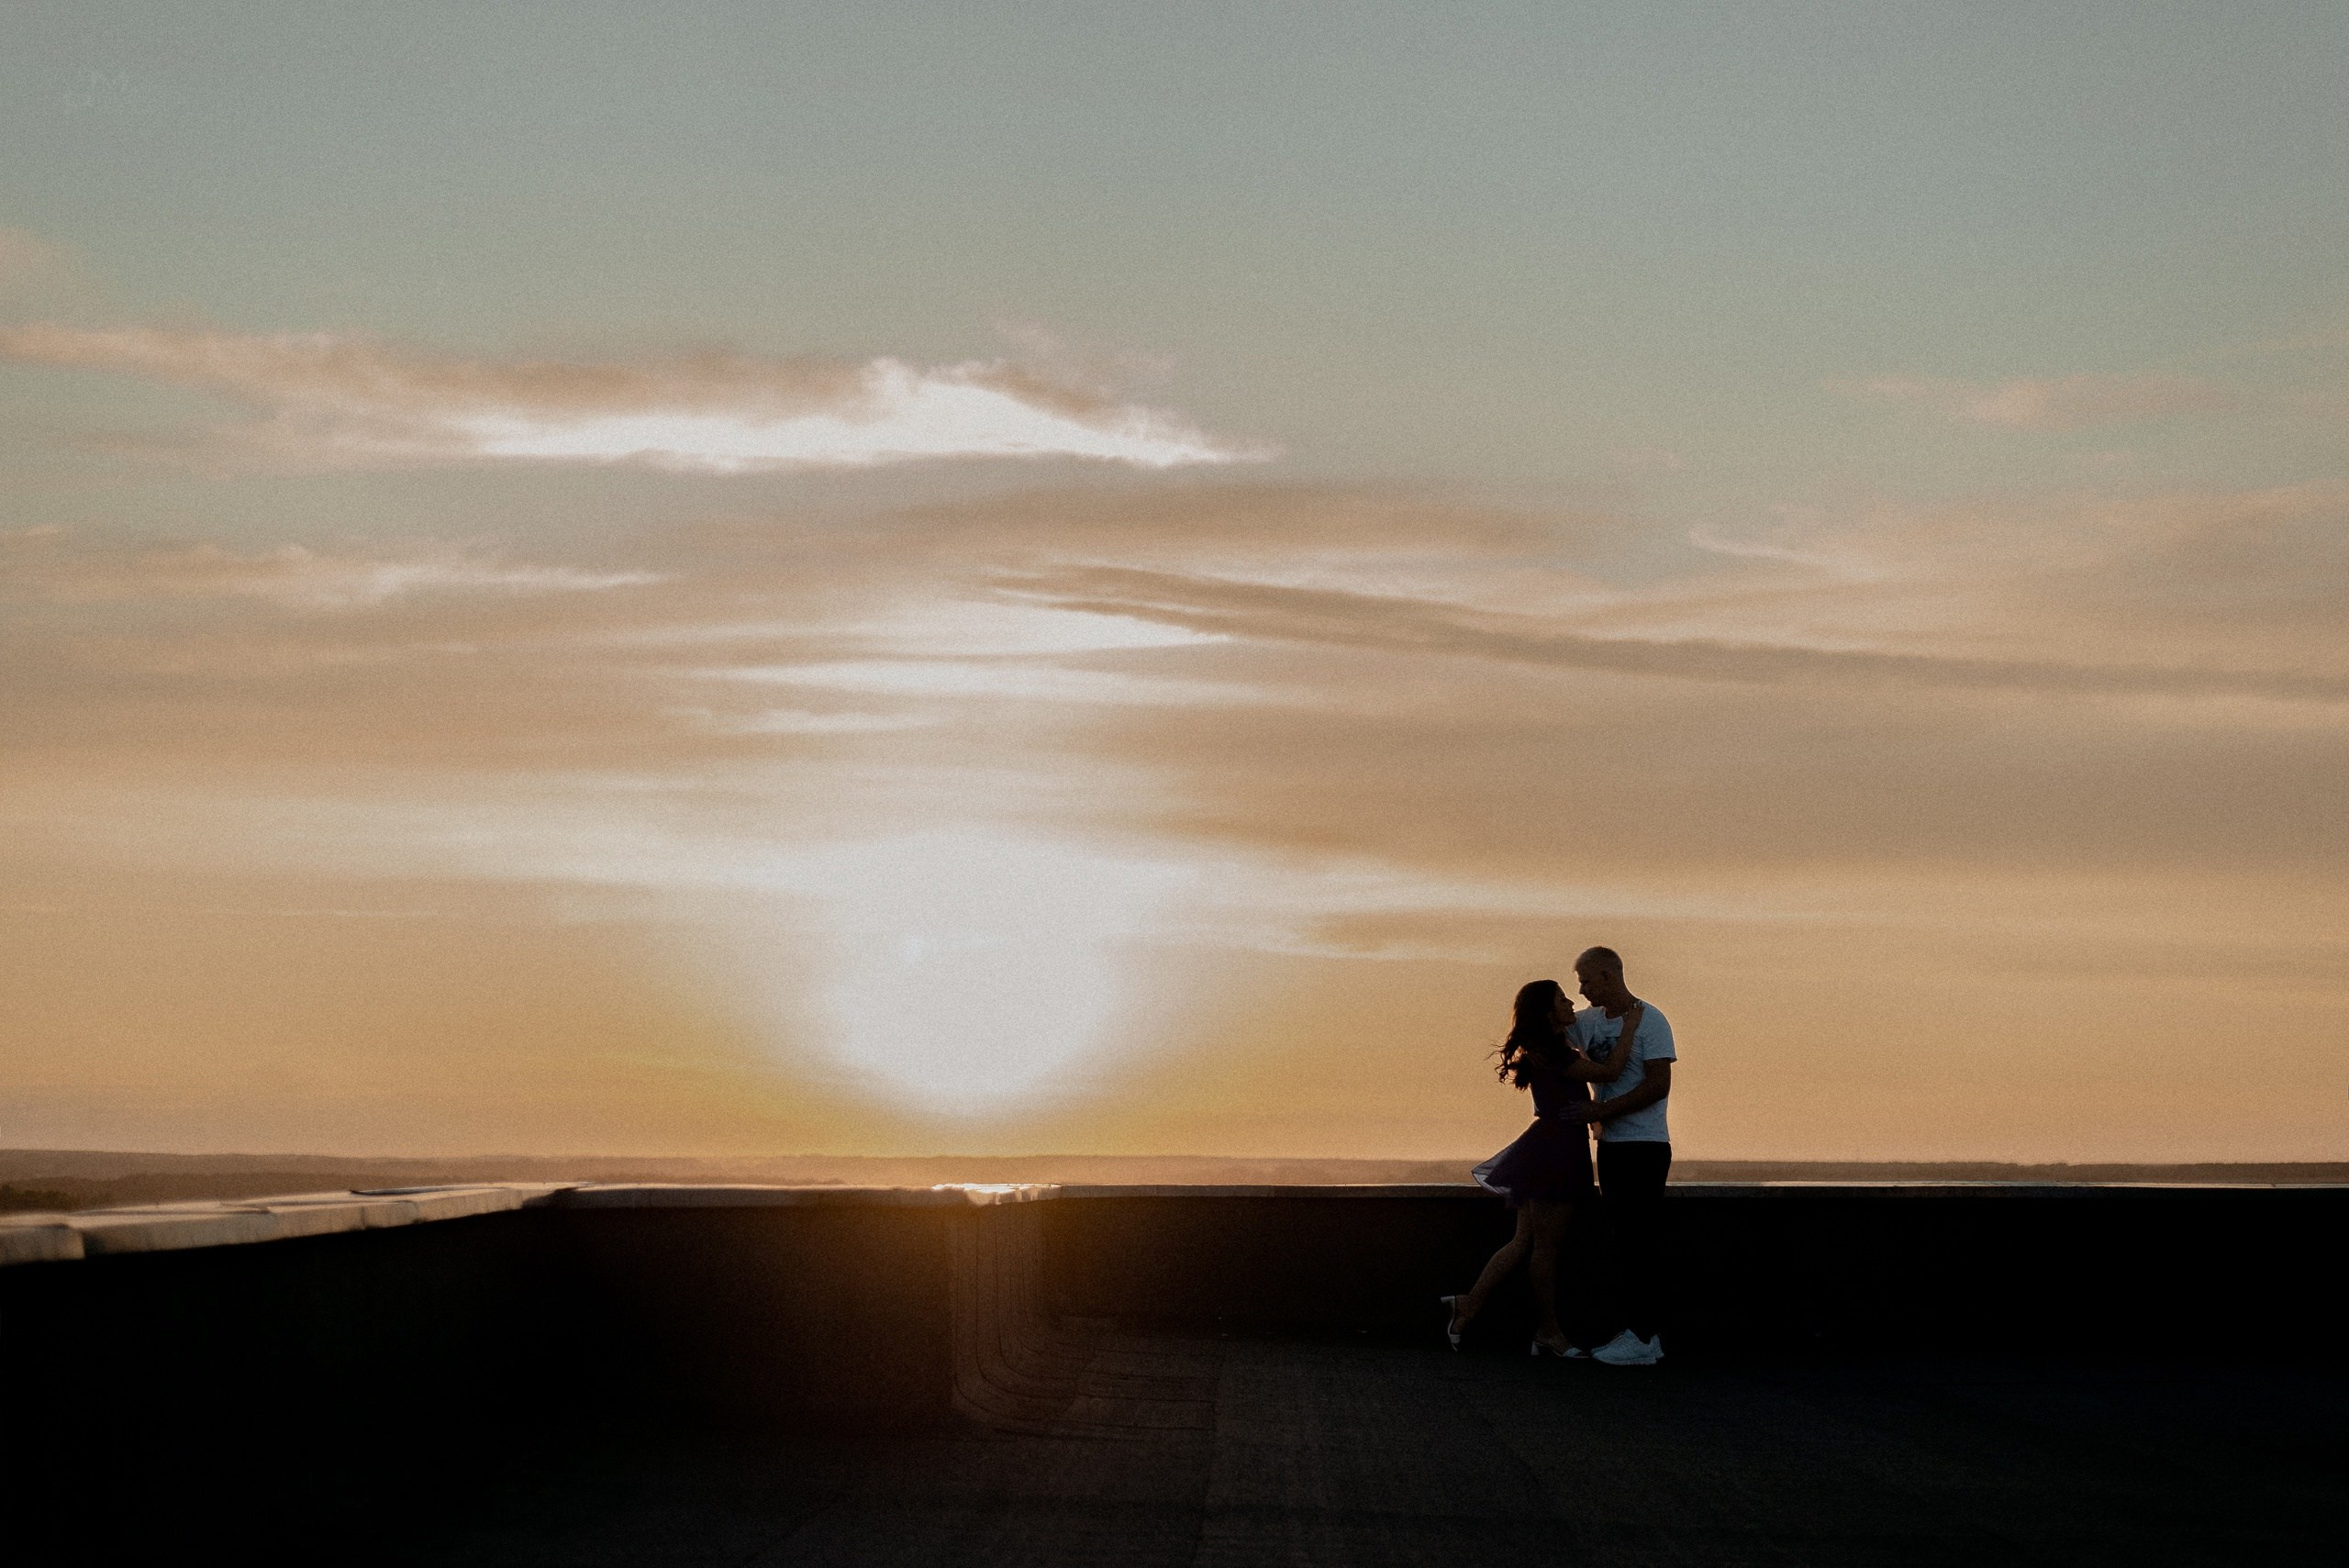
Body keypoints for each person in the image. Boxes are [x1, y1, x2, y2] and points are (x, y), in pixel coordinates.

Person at [1443, 978, 1645, 1358]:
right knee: (1546, 1248)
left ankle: (1468, 1306)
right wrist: (1632, 1026)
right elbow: (1611, 1072)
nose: (1571, 1003)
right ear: (1549, 1013)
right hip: (1557, 1152)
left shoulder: (1547, 1050)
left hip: (1548, 1148)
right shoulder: (1554, 1053)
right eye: (1562, 1000)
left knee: (1524, 1242)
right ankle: (1548, 1332)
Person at [1560, 946, 1675, 1367]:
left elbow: (1658, 1085)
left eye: (1586, 981)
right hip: (1611, 1148)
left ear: (1609, 976)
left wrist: (1601, 1111)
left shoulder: (1652, 1020)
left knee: (1639, 1241)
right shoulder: (1589, 1022)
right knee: (1623, 1241)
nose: (1582, 990)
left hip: (1645, 1146)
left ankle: (1643, 1337)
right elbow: (1551, 1035)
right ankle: (1637, 1333)